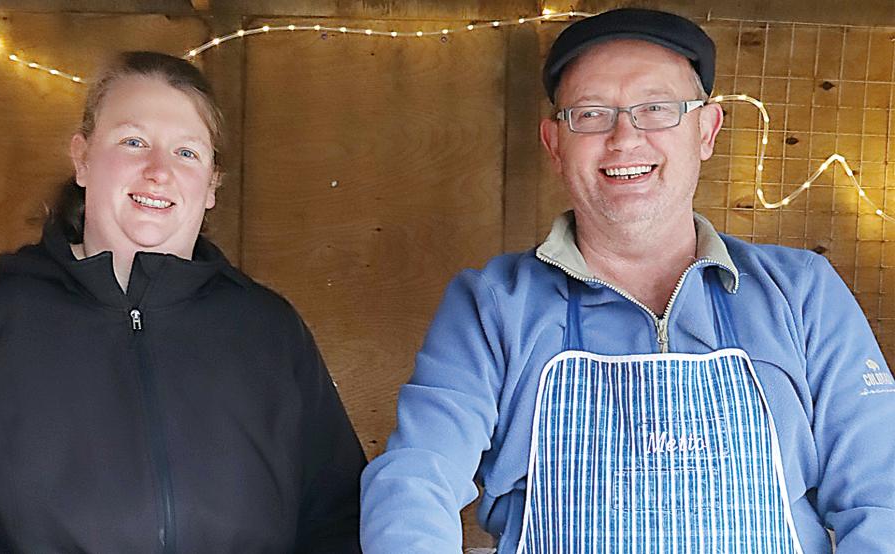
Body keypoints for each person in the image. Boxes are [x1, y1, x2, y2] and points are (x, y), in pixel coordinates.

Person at [360, 8, 895, 553]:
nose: (624, 138)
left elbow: (883, 497)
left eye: (656, 109)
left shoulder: (802, 292)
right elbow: (414, 480)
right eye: (590, 114)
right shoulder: (493, 304)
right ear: (554, 144)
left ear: (705, 131)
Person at [0, 51, 366, 553]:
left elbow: (341, 517)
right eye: (133, 142)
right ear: (82, 158)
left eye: (187, 153)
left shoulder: (269, 331)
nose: (158, 171)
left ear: (212, 184)